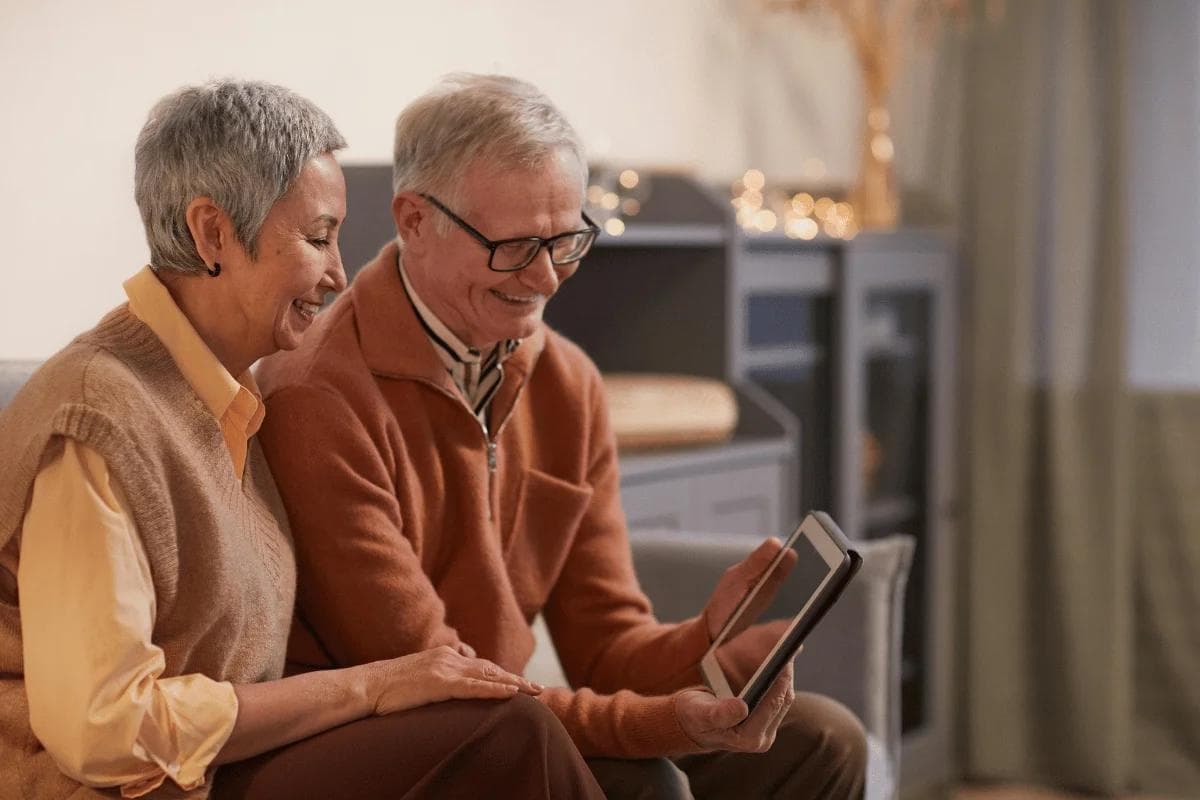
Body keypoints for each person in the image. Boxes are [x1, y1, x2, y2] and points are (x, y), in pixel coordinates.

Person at [256, 73, 867, 799]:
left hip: (512, 717)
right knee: (646, 783)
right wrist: (669, 723)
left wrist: (710, 640)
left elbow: (606, 646)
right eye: (516, 246)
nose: (547, 278)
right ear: (415, 220)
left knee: (823, 742)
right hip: (394, 744)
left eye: (567, 240)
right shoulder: (318, 397)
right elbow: (447, 686)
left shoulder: (568, 382)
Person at [0, 79, 603, 800]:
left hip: (219, 768)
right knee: (509, 736)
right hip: (116, 788)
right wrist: (369, 688)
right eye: (318, 238)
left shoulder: (225, 397)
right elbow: (104, 729)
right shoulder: (96, 418)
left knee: (581, 760)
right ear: (212, 234)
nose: (340, 273)